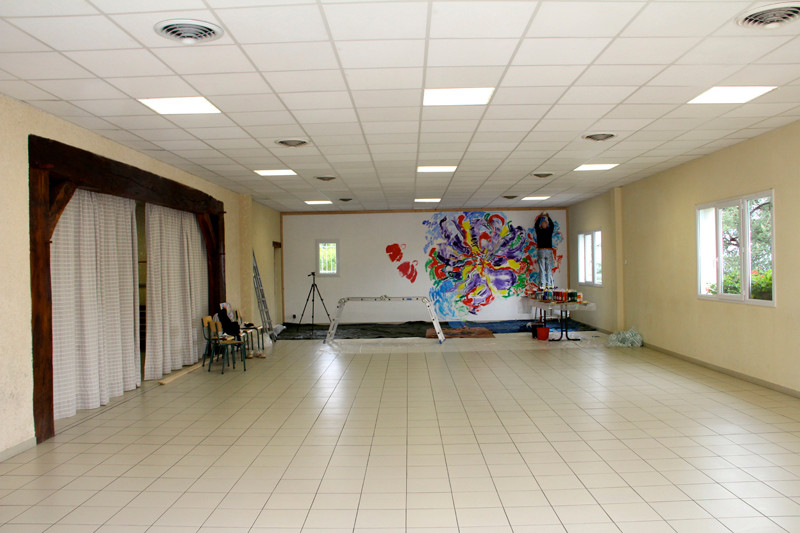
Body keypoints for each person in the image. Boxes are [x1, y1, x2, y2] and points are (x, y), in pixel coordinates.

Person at [534, 212, 556, 289]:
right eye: (544, 224)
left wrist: (542, 217)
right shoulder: (546, 231)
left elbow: (536, 225)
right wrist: (547, 217)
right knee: (546, 268)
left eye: (545, 224)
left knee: (543, 268)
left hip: (543, 250)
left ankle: (543, 284)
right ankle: (547, 284)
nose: (544, 225)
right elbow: (551, 225)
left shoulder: (541, 231)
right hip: (546, 250)